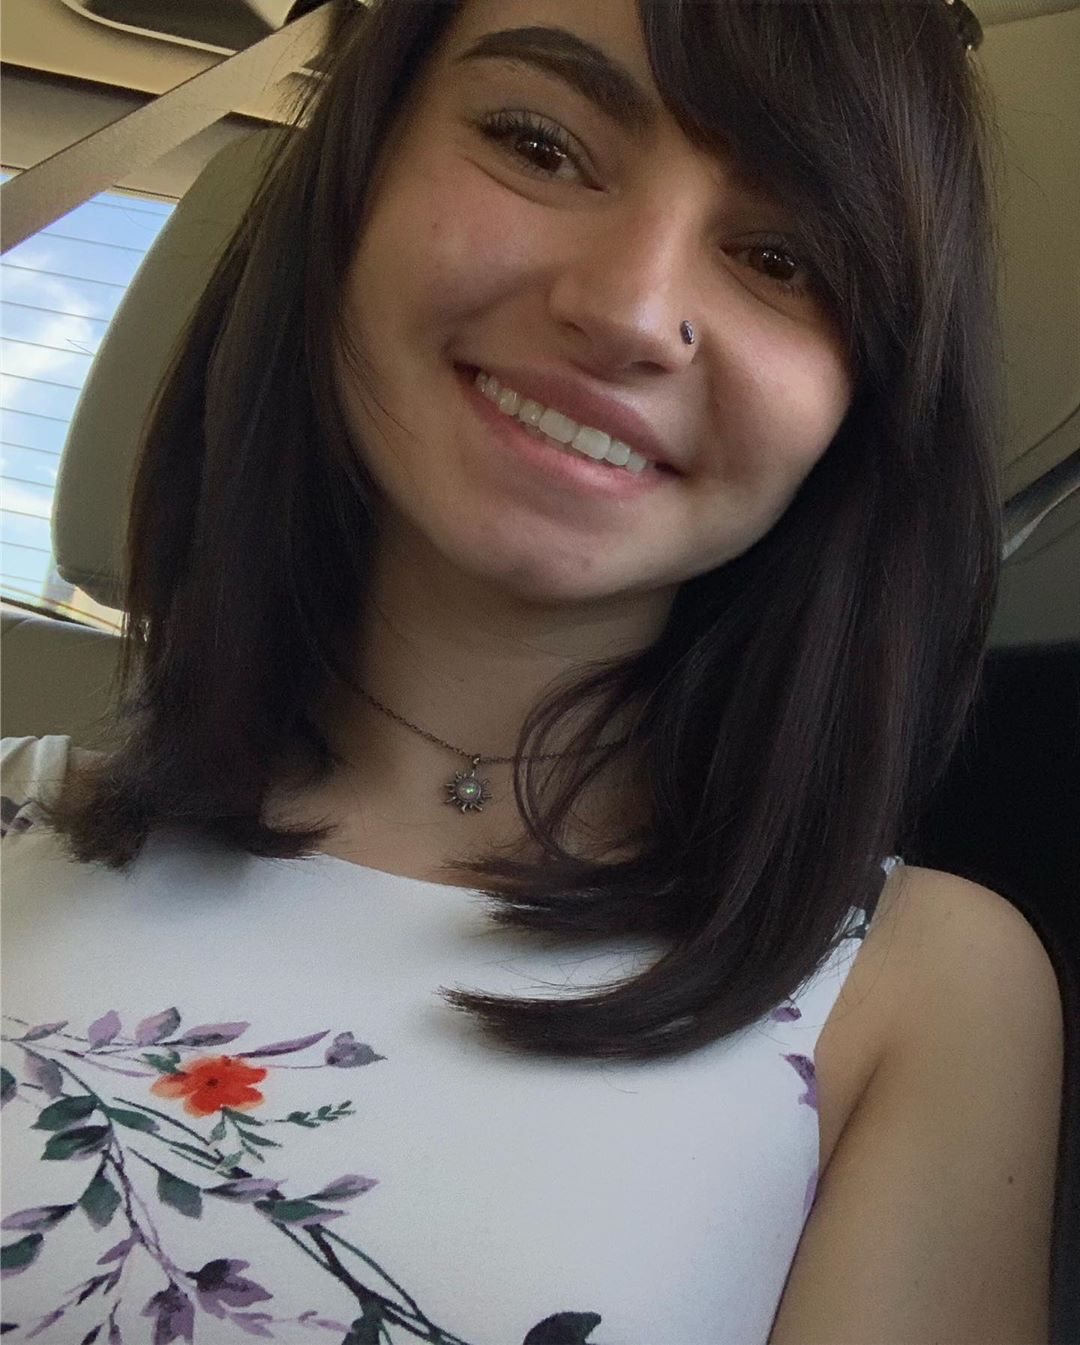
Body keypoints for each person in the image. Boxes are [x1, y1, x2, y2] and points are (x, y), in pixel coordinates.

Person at [0, 1, 1064, 1341]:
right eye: (538, 145)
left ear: (864, 406)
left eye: (782, 257)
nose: (630, 311)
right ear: (355, 185)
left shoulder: (922, 988)